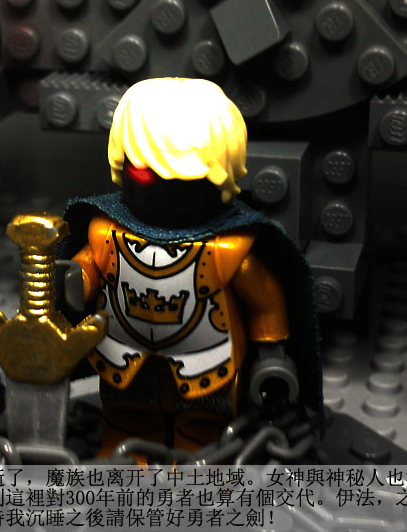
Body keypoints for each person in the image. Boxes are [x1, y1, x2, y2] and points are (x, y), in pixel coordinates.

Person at [57, 78, 322, 453]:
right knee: (127, 417)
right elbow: (84, 273)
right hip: (124, 357)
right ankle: (128, 457)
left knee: (204, 427)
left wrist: (271, 359)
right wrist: (68, 286)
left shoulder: (228, 249)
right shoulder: (106, 235)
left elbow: (266, 303)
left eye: (186, 176)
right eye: (146, 171)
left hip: (207, 363)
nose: (164, 187)